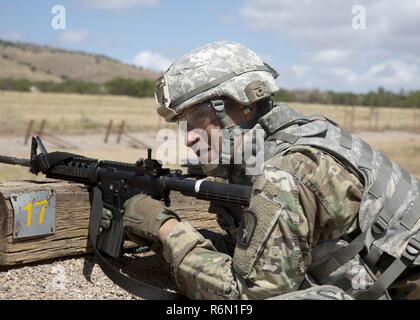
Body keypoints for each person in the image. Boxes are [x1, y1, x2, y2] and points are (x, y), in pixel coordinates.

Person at [103, 41, 420, 300]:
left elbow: (247, 296)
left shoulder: (287, 171)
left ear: (245, 105)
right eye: (183, 124)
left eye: (199, 117)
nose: (188, 137)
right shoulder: (299, 137)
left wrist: (165, 229)